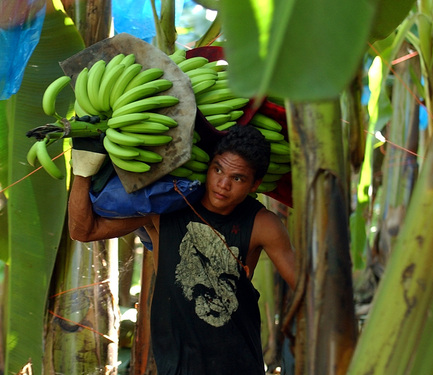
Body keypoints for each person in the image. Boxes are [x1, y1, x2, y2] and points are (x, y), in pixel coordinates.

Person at [68, 124, 296, 374]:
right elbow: (83, 231)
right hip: (174, 365)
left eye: (237, 178)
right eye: (217, 170)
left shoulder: (262, 224)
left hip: (238, 365)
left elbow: (304, 287)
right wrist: (83, 170)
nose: (223, 184)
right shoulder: (168, 209)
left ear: (255, 185)